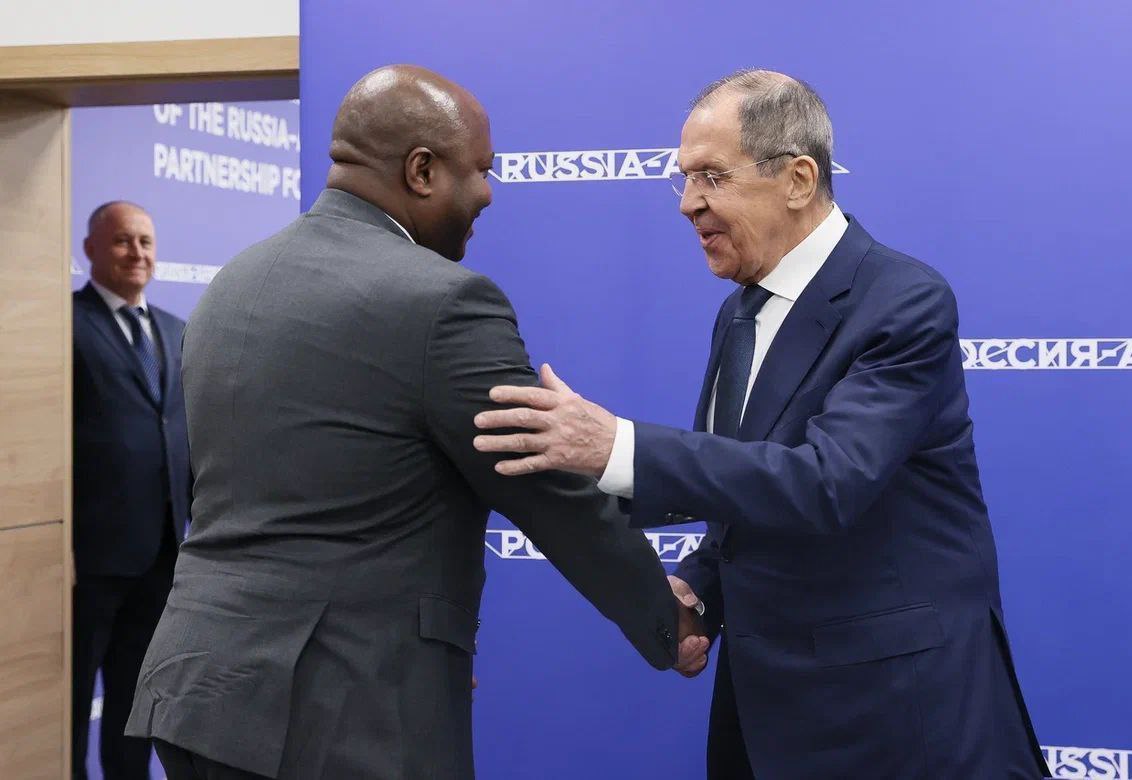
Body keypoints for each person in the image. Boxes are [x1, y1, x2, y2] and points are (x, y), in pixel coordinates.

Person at [125, 65, 706, 780]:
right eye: (480, 171)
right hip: (335, 712)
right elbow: (546, 489)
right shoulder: (442, 303)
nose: (489, 192)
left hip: (195, 693)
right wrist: (667, 620)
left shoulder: (233, 283)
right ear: (422, 171)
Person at [472, 70, 1050, 778]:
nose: (688, 203)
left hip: (897, 718)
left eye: (712, 177)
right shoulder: (740, 311)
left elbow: (826, 482)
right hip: (767, 711)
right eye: (684, 179)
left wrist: (615, 445)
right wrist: (700, 590)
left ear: (799, 179)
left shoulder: (903, 302)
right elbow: (742, 489)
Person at [72, 201, 191, 779]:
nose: (137, 253)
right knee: (70, 704)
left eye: (145, 241)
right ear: (91, 249)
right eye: (122, 240)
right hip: (89, 560)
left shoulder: (175, 330)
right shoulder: (63, 323)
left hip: (163, 554)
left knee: (136, 704)